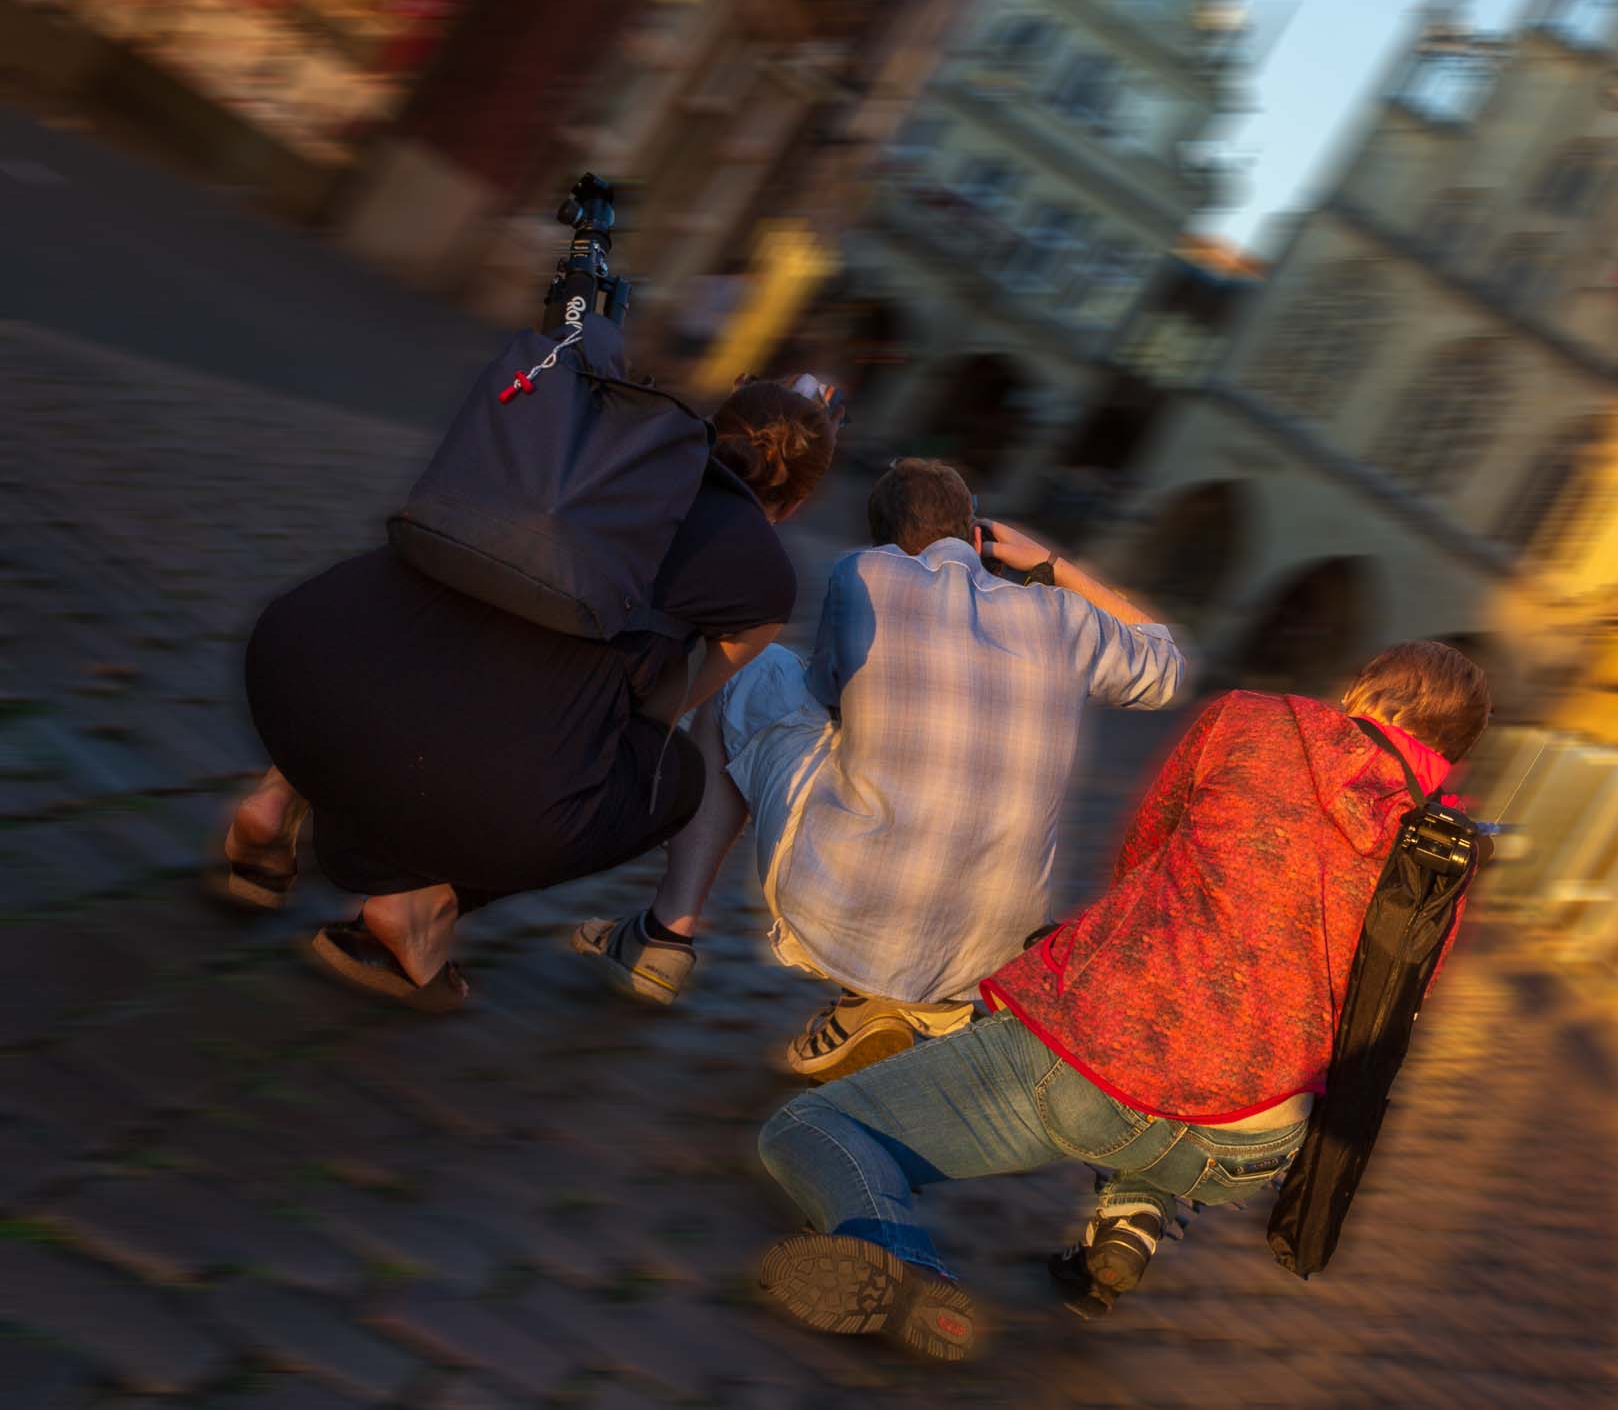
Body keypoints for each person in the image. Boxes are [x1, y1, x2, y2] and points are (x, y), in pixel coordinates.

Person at [745, 641, 1492, 1361]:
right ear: (1453, 752)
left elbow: (1144, 849)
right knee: (1203, 1076)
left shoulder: (1253, 718)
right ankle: (1139, 1209)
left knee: (811, 1127)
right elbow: (1385, 1009)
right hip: (1253, 1145)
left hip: (1093, 1072)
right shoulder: (1441, 852)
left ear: (1361, 691)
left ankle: (901, 1261)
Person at [218, 378, 840, 1011]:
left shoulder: (593, 450)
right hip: (469, 772)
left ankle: (277, 796)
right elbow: (658, 717)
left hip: (292, 674)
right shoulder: (763, 580)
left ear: (712, 426)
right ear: (797, 503)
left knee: (435, 618)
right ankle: (424, 904)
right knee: (673, 774)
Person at [570, 457, 1186, 1081]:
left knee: (754, 675)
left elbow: (828, 693)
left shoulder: (863, 574)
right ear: (978, 539)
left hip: (842, 910)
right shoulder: (1063, 617)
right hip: (986, 956)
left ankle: (664, 935)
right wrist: (1052, 565)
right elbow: (1168, 663)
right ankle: (889, 999)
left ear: (885, 542)